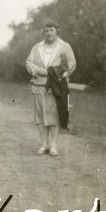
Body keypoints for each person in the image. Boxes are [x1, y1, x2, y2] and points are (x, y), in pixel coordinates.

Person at [26, 20, 76, 156]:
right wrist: (38, 71)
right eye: (46, 30)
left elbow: (72, 63)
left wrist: (63, 73)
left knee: (54, 116)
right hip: (38, 85)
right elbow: (28, 62)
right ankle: (44, 145)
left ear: (57, 30)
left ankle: (53, 146)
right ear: (43, 32)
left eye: (51, 30)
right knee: (40, 116)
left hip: (56, 86)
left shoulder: (65, 46)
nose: (48, 33)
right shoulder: (37, 47)